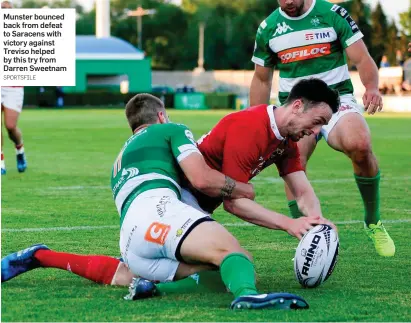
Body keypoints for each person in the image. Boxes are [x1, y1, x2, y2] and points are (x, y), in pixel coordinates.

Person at [2, 79, 338, 304]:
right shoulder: (185, 130)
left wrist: (316, 222)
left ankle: (42, 256)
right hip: (168, 209)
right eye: (319, 120)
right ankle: (247, 298)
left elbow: (301, 188)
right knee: (236, 261)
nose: (318, 131)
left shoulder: (124, 156)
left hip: (136, 234)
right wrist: (256, 199)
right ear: (162, 116)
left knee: (153, 272)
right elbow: (207, 182)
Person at [250, 0, 395, 257]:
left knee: (359, 144)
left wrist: (371, 87)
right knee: (293, 164)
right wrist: (255, 120)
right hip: (296, 110)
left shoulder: (332, 14)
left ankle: (372, 221)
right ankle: (308, 236)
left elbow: (362, 58)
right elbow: (262, 78)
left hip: (337, 102)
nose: (288, 2)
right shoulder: (268, 28)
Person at [1, 0, 27, 175]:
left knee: (10, 126)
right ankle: (1, 162)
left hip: (13, 85)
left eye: (9, 9)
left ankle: (20, 149)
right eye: (3, 9)